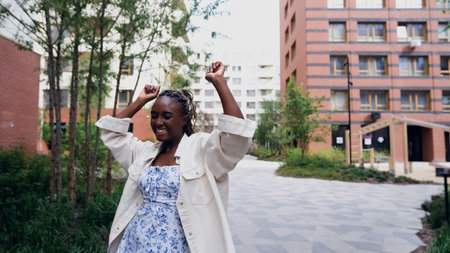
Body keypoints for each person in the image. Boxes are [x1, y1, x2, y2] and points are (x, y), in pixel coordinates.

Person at [95, 61, 256, 253]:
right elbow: (112, 133)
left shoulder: (201, 149)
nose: (158, 122)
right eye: (154, 115)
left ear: (183, 120)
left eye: (166, 116)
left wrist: (219, 82)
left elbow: (237, 137)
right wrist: (140, 101)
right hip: (135, 243)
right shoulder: (145, 153)